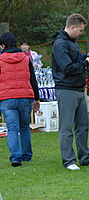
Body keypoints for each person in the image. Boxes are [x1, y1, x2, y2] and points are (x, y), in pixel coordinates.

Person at [52, 13, 89, 170]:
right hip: (66, 89)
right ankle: (69, 160)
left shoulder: (72, 42)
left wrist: (86, 56)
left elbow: (75, 59)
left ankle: (85, 158)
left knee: (82, 126)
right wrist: (86, 64)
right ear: (72, 27)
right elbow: (67, 67)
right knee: (67, 127)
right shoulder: (60, 44)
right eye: (80, 30)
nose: (81, 33)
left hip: (79, 89)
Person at [0, 32, 40, 167]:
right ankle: (27, 155)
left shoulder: (0, 60)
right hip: (25, 96)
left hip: (6, 98)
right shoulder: (25, 58)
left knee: (12, 128)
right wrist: (37, 98)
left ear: (3, 45)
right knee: (24, 127)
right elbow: (33, 80)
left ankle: (15, 157)